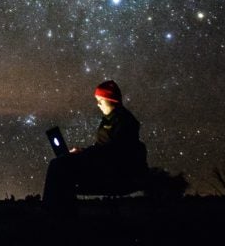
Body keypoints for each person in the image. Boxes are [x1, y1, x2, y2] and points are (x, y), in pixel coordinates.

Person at [41, 80, 148, 214]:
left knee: (58, 166)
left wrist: (83, 156)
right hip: (101, 165)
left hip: (111, 171)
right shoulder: (110, 119)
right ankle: (61, 214)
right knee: (61, 165)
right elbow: (102, 148)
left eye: (100, 100)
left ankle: (53, 214)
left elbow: (111, 152)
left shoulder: (124, 122)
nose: (98, 104)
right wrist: (83, 152)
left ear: (111, 100)